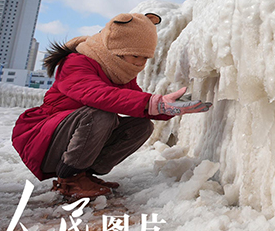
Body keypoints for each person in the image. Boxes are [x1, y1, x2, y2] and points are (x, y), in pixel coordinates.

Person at [12, 12, 212, 199]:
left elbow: (140, 103)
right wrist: (154, 103)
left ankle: (84, 175)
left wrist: (170, 108)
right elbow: (97, 94)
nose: (140, 63)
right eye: (135, 56)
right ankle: (70, 180)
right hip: (41, 137)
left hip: (70, 138)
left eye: (145, 58)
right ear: (117, 49)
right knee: (100, 114)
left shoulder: (119, 73)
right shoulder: (75, 63)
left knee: (141, 126)